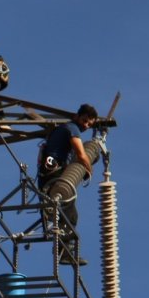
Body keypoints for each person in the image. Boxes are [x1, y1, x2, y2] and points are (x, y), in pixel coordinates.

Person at [37, 104, 99, 264]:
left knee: (64, 213)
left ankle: (63, 250)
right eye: (85, 121)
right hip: (54, 174)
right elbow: (80, 153)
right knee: (70, 214)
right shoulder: (72, 128)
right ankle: (65, 253)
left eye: (89, 124)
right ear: (76, 117)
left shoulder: (62, 130)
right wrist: (89, 168)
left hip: (48, 175)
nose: (86, 125)